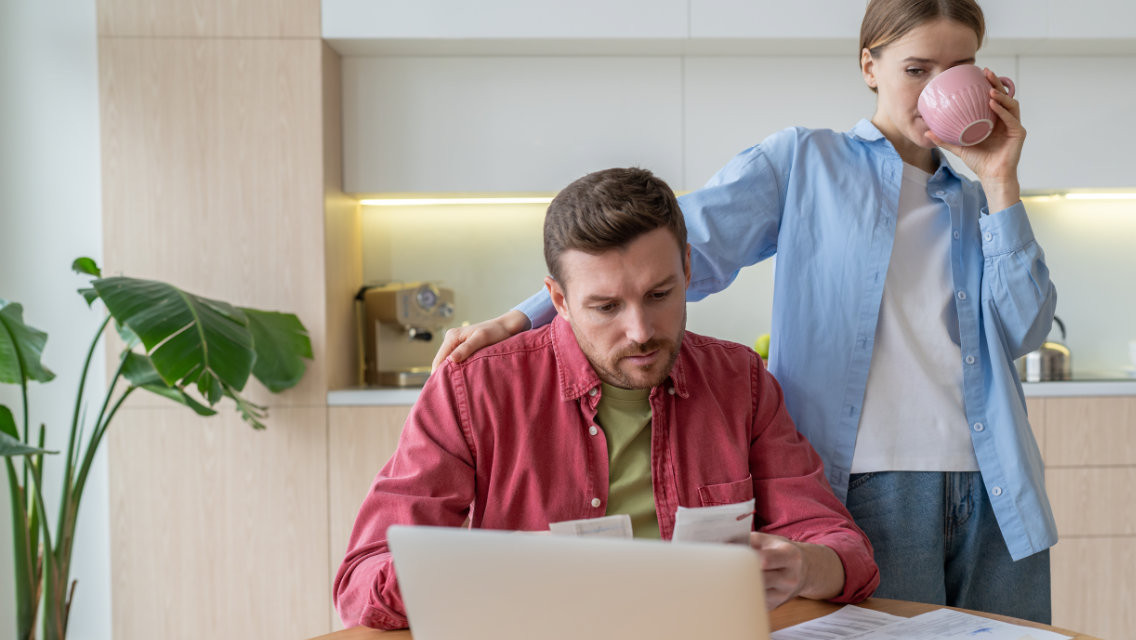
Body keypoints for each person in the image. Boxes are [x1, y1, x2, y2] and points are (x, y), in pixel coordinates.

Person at [429, 0, 1057, 624]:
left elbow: (1023, 330)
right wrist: (523, 318)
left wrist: (1002, 183)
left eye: (959, 70)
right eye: (917, 70)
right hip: (872, 484)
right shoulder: (804, 163)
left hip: (996, 479)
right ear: (870, 66)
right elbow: (678, 251)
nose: (936, 91)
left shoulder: (976, 197)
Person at [334, 167, 880, 630]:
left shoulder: (741, 380)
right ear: (558, 300)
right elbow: (359, 579)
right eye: (605, 307)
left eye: (660, 295)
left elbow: (843, 548)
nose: (641, 331)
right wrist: (482, 571)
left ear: (688, 269)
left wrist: (805, 565)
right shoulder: (472, 389)